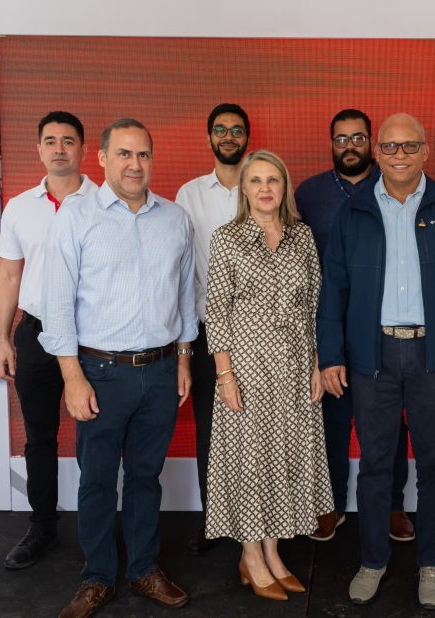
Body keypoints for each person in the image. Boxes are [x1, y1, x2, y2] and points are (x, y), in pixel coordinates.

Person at [318, 113, 435, 611]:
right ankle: (372, 560)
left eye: (408, 146)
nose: (398, 156)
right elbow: (335, 292)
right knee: (374, 465)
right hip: (373, 356)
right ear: (377, 151)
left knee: (433, 465)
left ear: (425, 151)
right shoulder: (354, 213)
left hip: (434, 356)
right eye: (389, 147)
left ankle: (431, 562)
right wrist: (331, 355)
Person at [40, 118, 196, 618]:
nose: (135, 164)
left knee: (147, 477)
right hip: (99, 372)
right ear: (102, 158)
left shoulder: (174, 219)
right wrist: (72, 375)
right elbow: (57, 301)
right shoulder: (76, 217)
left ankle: (143, 569)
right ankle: (98, 578)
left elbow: (186, 294)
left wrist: (185, 358)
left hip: (160, 370)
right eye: (125, 154)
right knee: (98, 480)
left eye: (144, 155)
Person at [204, 150, 333, 602]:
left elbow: (315, 307)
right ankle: (251, 555)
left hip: (296, 367)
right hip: (246, 370)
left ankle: (273, 553)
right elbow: (216, 311)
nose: (264, 188)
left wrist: (317, 365)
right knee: (251, 462)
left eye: (272, 180)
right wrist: (224, 375)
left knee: (285, 460)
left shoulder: (302, 237)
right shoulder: (227, 239)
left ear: (285, 187)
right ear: (244, 189)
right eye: (255, 180)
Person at [294, 108, 414, 544]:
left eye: (358, 138)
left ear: (373, 144)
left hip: (384, 324)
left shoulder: (397, 190)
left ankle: (391, 506)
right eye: (341, 139)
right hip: (327, 323)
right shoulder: (308, 195)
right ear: (331, 144)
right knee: (331, 417)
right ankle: (330, 503)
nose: (350, 146)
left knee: (388, 422)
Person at [0, 111, 98, 570]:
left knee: (98, 436)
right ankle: (42, 527)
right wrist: (3, 339)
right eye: (50, 141)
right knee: (40, 437)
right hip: (35, 335)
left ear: (82, 148)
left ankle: (99, 531)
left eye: (68, 141)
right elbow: (9, 274)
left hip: (93, 336)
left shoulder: (106, 202)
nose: (59, 148)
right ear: (38, 149)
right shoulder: (19, 207)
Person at [173, 103, 249, 556]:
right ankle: (213, 520)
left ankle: (258, 521)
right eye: (219, 129)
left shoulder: (263, 185)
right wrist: (184, 347)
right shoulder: (189, 193)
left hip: (260, 334)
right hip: (207, 333)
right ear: (209, 139)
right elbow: (183, 271)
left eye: (236, 130)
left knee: (256, 428)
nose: (227, 136)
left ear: (246, 138)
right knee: (211, 431)